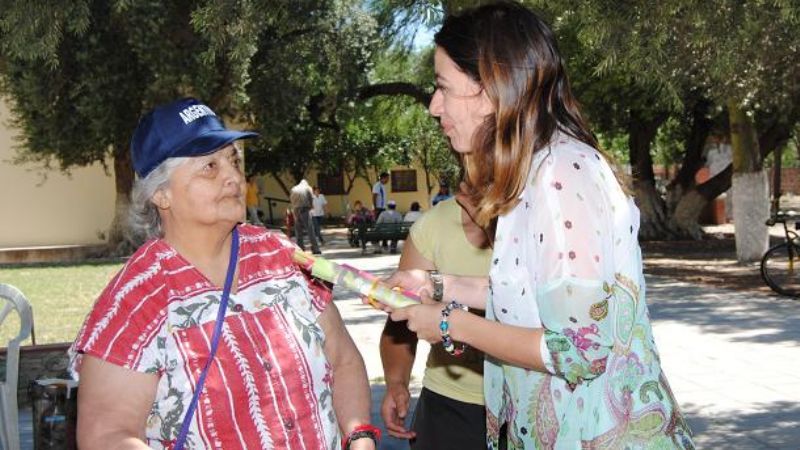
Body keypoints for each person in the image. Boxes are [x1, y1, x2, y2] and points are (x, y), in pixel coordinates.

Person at [382, 3, 694, 449]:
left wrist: (450, 324)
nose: (434, 107)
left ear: (490, 89)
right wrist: (437, 284)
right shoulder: (536, 173)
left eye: (442, 87)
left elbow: (580, 349)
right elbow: (532, 298)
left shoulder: (559, 175)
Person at [69, 98, 378, 450]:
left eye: (232, 160)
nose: (233, 176)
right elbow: (107, 436)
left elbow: (344, 361)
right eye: (210, 167)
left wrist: (360, 438)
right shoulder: (135, 301)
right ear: (161, 194)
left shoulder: (281, 258)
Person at [380, 195, 492, 449]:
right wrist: (396, 383)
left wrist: (451, 323)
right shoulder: (433, 226)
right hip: (450, 405)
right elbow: (401, 321)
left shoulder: (541, 217)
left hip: (526, 405)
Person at [290, 179, 321, 254]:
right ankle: (315, 249)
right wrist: (311, 208)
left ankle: (300, 248)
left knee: (298, 230)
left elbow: (291, 199)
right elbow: (311, 199)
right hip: (305, 209)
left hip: (296, 210)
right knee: (310, 230)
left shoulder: (294, 188)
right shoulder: (308, 188)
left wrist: (294, 210)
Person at [372, 172, 390, 249]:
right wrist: (375, 208)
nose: (388, 180)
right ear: (383, 178)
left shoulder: (383, 186)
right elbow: (374, 196)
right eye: (387, 178)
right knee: (379, 225)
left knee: (384, 225)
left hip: (383, 208)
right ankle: (376, 240)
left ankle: (384, 241)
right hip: (379, 208)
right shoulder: (377, 186)